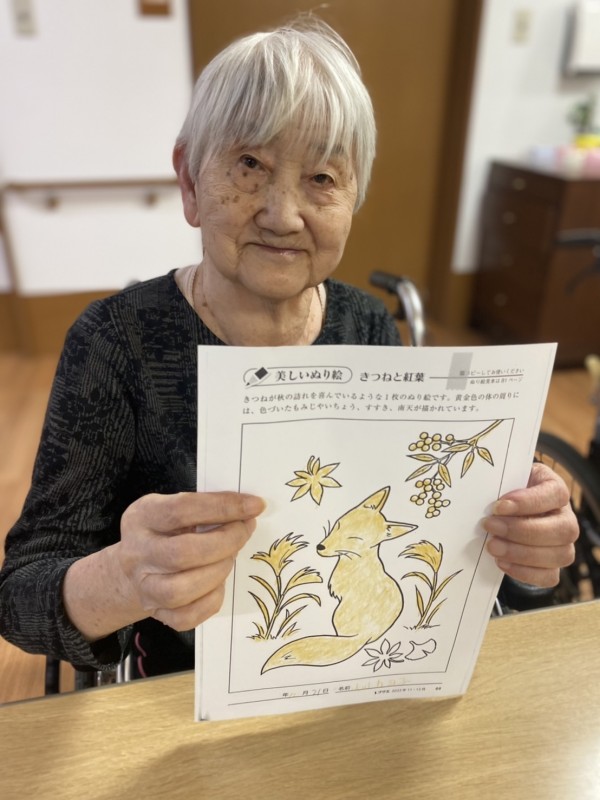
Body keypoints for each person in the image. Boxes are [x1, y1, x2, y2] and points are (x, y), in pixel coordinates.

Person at [0, 16, 577, 679]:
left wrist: (523, 554)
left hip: (351, 677)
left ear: (353, 197)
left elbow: (426, 533)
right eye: (250, 165)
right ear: (190, 181)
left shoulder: (367, 327)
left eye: (323, 178)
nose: (283, 214)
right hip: (173, 691)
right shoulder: (116, 343)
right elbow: (21, 597)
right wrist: (125, 579)